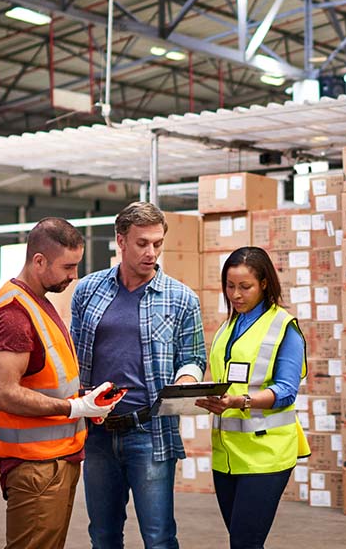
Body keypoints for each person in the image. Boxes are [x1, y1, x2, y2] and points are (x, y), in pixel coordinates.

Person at [0, 217, 120, 549]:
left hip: (54, 459)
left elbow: (47, 377)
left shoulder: (37, 303)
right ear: (39, 261)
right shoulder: (13, 314)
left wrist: (86, 402)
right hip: (34, 464)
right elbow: (3, 393)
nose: (74, 276)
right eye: (68, 266)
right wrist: (74, 407)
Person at [71, 202, 206, 549]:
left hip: (149, 432)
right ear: (121, 240)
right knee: (102, 536)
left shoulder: (181, 299)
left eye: (158, 243)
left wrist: (187, 380)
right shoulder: (88, 291)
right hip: (97, 433)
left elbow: (193, 358)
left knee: (159, 537)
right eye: (142, 243)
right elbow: (73, 354)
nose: (151, 252)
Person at [195, 247, 308, 549]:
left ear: (265, 284)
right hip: (227, 456)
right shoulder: (227, 327)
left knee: (245, 542)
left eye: (245, 287)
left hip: (266, 455)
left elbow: (285, 392)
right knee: (240, 541)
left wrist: (240, 402)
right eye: (230, 286)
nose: (235, 294)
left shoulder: (284, 328)